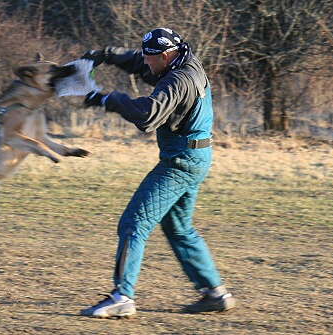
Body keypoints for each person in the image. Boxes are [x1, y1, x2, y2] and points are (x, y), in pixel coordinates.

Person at [79, 28, 236, 318]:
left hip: (180, 161)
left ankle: (122, 296)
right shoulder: (183, 61)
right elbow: (139, 62)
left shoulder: (179, 79)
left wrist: (106, 99)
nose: (146, 63)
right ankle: (215, 293)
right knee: (178, 228)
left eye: (151, 58)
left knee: (133, 223)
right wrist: (108, 55)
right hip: (196, 156)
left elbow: (149, 113)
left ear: (165, 56)